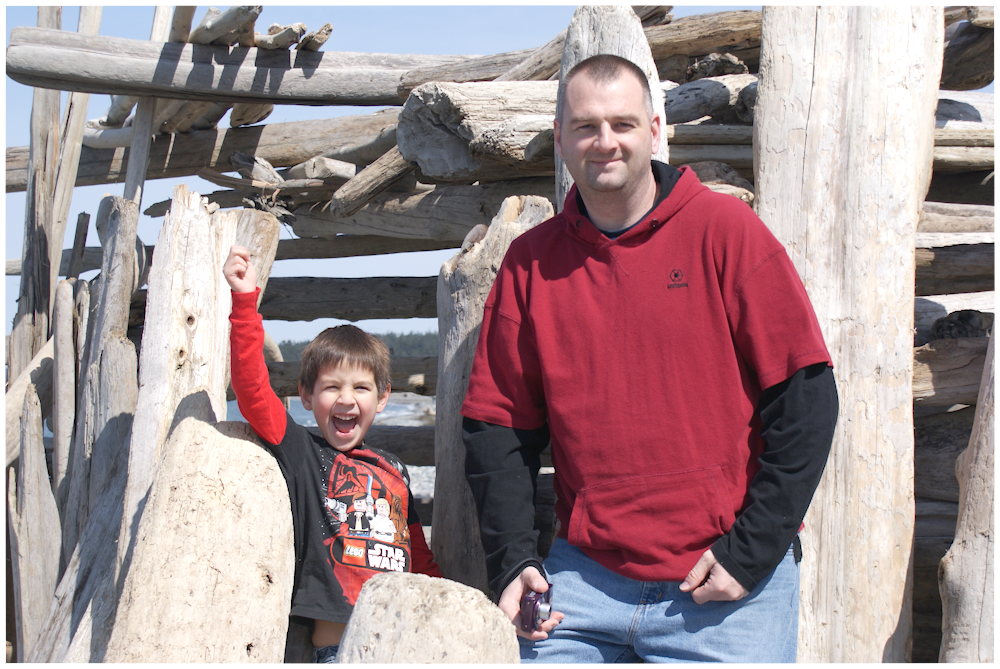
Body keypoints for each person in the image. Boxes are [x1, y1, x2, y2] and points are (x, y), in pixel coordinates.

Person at [461, 54, 838, 663]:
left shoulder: (726, 232)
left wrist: (750, 552)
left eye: (623, 124)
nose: (605, 142)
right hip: (581, 587)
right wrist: (512, 561)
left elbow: (806, 398)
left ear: (655, 129)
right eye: (585, 126)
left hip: (724, 587)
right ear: (559, 137)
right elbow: (498, 424)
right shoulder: (530, 264)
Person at [224, 246, 443, 663]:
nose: (346, 398)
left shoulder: (394, 470)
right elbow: (252, 391)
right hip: (336, 651)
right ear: (306, 396)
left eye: (360, 388)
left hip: (402, 647)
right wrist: (244, 300)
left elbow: (418, 554)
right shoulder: (303, 453)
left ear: (382, 398)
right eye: (331, 387)